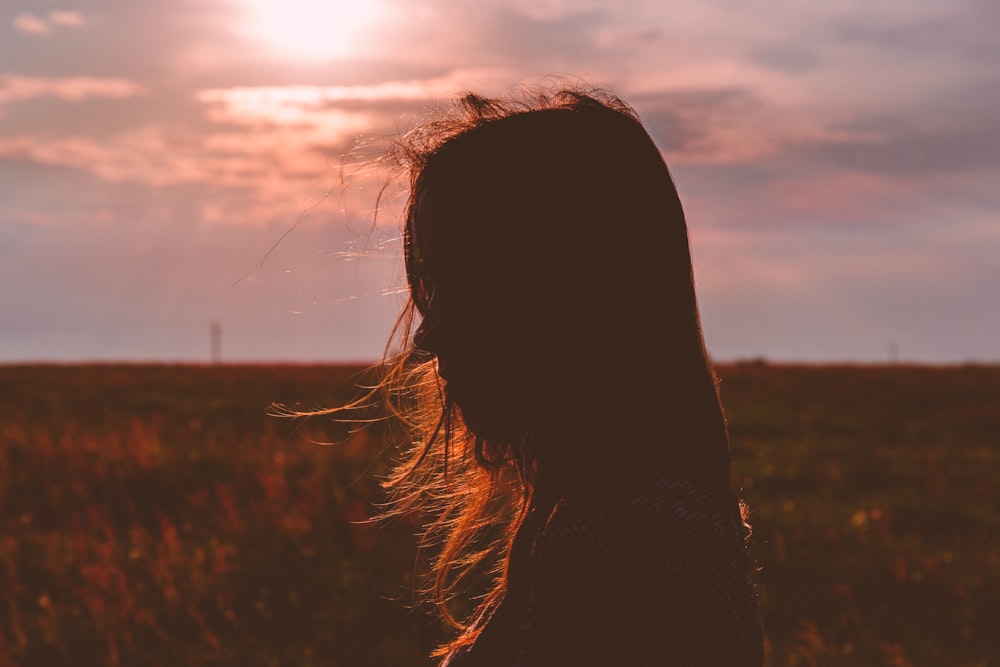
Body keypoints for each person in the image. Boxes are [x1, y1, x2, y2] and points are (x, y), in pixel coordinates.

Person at [372, 86, 763, 666]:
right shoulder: (619, 518)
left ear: (572, 295)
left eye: (469, 286)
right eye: (430, 288)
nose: (427, 335)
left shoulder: (634, 542)